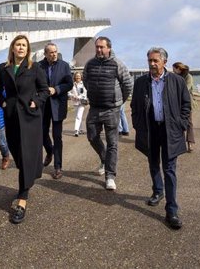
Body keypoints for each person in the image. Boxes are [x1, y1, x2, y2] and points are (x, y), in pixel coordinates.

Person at [131, 47, 191, 230]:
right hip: (150, 129)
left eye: (156, 61)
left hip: (170, 130)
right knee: (152, 162)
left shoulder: (177, 81)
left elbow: (186, 105)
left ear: (164, 61)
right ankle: (158, 191)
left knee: (169, 169)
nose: (152, 64)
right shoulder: (141, 82)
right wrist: (137, 124)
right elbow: (134, 106)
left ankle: (171, 210)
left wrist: (181, 124)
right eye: (150, 60)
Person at [0, 35, 49, 224]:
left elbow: (44, 90)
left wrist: (36, 102)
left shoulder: (35, 68)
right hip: (11, 118)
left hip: (30, 117)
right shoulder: (3, 68)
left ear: (28, 49)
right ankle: (29, 175)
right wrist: (2, 102)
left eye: (24, 45)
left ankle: (22, 198)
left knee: (26, 155)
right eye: (18, 45)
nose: (21, 48)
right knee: (18, 153)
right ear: (12, 48)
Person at [82, 36, 133, 191]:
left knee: (112, 143)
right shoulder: (90, 64)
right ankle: (104, 159)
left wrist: (119, 102)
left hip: (112, 109)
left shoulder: (117, 64)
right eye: (97, 47)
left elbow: (128, 85)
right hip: (95, 108)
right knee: (92, 136)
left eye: (102, 47)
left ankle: (110, 176)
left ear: (109, 48)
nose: (99, 50)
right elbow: (85, 80)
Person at [39, 43, 74, 179]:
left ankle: (58, 167)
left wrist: (57, 89)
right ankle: (50, 151)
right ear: (45, 54)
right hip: (43, 105)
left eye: (55, 52)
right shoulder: (39, 66)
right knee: (42, 134)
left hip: (57, 105)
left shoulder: (64, 65)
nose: (54, 54)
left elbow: (69, 84)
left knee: (57, 136)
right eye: (51, 52)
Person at [172, 62, 197, 152]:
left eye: (174, 69)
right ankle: (178, 143)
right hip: (175, 101)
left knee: (189, 122)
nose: (173, 71)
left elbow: (187, 88)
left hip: (186, 102)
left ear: (178, 68)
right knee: (177, 122)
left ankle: (190, 143)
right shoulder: (174, 76)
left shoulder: (188, 76)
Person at [68, 72, 88, 136]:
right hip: (75, 102)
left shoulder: (83, 84)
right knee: (78, 116)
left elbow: (85, 93)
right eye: (76, 76)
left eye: (79, 76)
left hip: (82, 102)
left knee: (78, 116)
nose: (78, 77)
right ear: (75, 77)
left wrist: (79, 97)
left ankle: (76, 130)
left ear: (81, 77)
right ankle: (81, 129)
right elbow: (68, 93)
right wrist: (73, 96)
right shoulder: (72, 85)